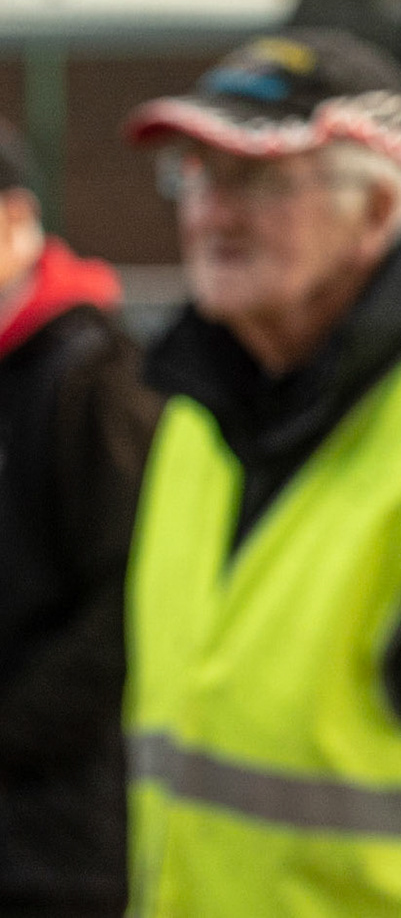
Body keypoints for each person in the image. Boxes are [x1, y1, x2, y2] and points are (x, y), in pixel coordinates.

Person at [120, 30, 401, 917]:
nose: (211, 213)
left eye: (255, 179)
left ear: (376, 212)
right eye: (194, 173)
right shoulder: (191, 416)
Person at [0, 123, 158, 918]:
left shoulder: (93, 377)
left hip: (58, 846)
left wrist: (16, 727)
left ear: (15, 220)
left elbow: (125, 602)